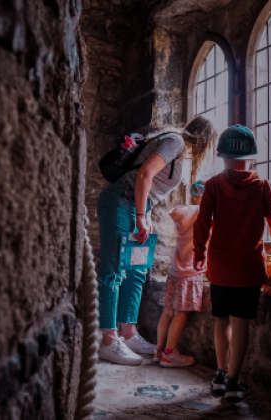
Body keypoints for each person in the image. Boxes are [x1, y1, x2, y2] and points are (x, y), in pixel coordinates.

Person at [97, 116, 217, 365]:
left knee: (137, 270)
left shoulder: (179, 151)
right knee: (114, 271)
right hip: (121, 200)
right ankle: (107, 340)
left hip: (138, 205)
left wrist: (146, 216)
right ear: (205, 140)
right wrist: (140, 216)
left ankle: (128, 335)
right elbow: (144, 175)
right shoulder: (176, 142)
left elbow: (150, 188)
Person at [193, 125, 271, 399]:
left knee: (221, 321)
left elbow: (202, 224)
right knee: (242, 324)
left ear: (222, 155)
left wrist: (199, 254)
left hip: (220, 268)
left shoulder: (212, 186)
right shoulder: (262, 186)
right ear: (252, 156)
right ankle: (234, 382)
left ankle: (220, 376)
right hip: (248, 270)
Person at [153, 180, 207, 368]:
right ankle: (170, 354)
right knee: (181, 313)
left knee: (168, 311)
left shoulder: (182, 214)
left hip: (175, 271)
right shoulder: (204, 216)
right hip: (190, 272)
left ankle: (158, 350)